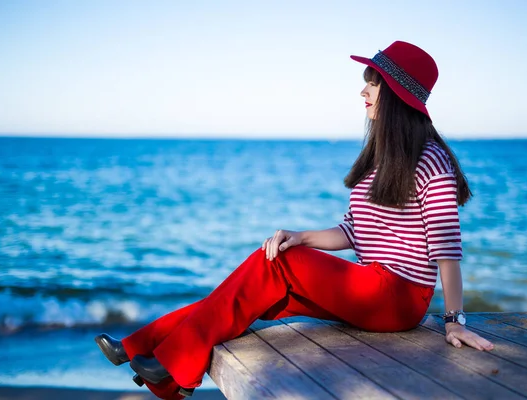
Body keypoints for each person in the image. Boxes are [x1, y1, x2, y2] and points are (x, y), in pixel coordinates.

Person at [94, 40, 494, 399]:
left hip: (400, 297)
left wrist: (454, 321)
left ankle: (174, 366)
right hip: (371, 285)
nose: (363, 91)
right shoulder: (379, 161)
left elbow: (446, 248)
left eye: (372, 83)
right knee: (257, 293)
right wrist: (301, 237)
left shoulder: (431, 160)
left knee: (277, 264)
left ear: (396, 95)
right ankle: (144, 353)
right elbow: (353, 231)